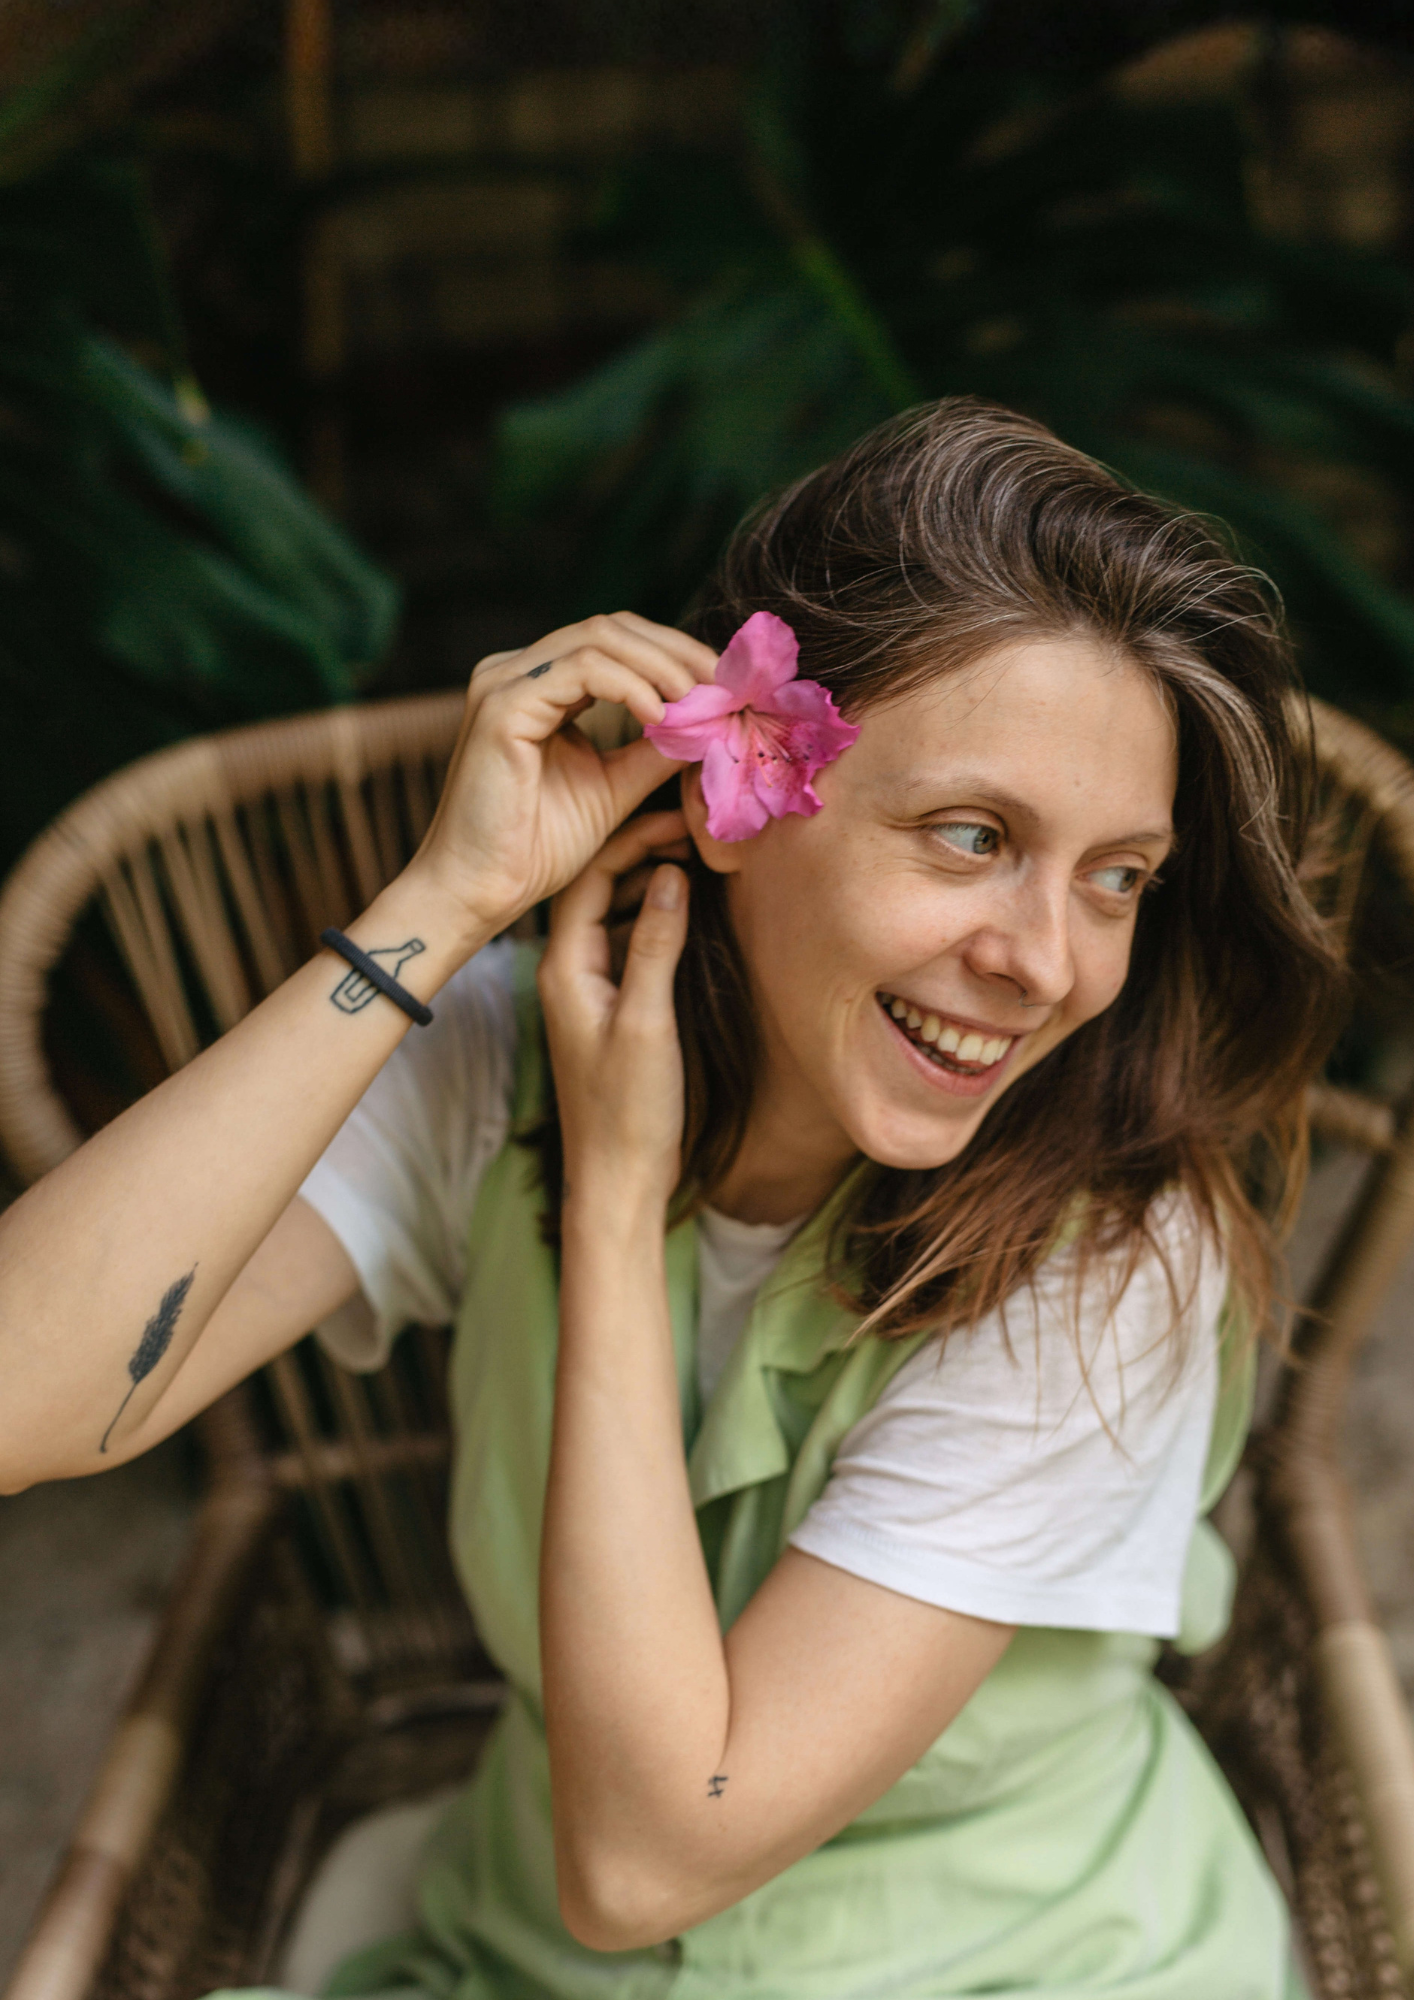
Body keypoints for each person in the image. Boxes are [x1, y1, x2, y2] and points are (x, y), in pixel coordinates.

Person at [0, 400, 1345, 1997]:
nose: (1047, 964)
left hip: (1014, 1960)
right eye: (970, 836)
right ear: (738, 792)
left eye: (1115, 875)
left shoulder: (1111, 1246)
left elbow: (645, 1857)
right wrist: (445, 902)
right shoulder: (505, 1059)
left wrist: (621, 1219)